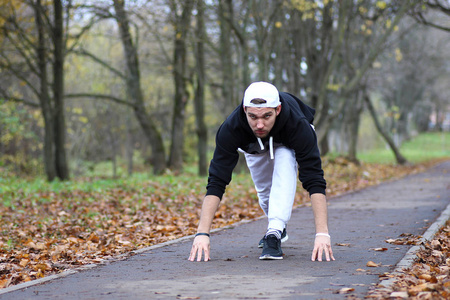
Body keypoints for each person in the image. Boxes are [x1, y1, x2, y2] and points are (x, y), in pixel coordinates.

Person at [188, 81, 334, 262]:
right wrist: (202, 233)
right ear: (244, 110)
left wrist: (322, 233)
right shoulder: (231, 128)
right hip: (253, 146)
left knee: (284, 159)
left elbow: (314, 178)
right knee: (264, 192)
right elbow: (217, 180)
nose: (259, 124)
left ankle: (273, 233)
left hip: (287, 142)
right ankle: (278, 228)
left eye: (266, 116)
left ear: (278, 110)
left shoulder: (298, 125)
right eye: (253, 116)